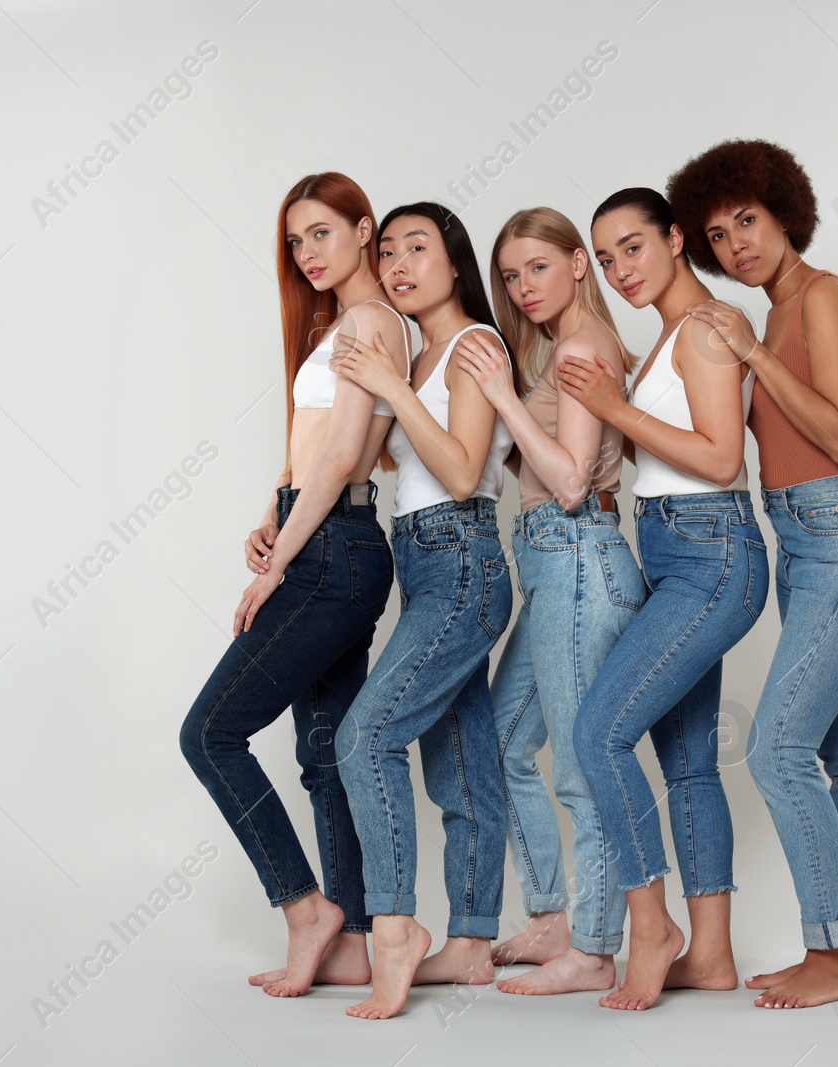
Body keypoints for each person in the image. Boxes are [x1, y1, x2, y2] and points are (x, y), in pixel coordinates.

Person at [669, 137, 838, 1009]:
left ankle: (827, 949)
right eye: (719, 235)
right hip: (807, 541)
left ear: (783, 213)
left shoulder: (821, 295)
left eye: (747, 220)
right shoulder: (769, 314)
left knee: (776, 747)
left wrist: (753, 353)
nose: (736, 244)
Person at [179, 172, 410, 997]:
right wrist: (271, 515)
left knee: (209, 733)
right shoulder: (339, 326)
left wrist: (281, 563)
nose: (307, 252)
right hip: (322, 535)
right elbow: (310, 451)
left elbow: (346, 454)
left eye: (321, 232)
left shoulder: (373, 322)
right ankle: (347, 935)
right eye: (295, 240)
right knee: (324, 756)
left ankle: (306, 907)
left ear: (362, 228)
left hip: (334, 553)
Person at [557, 187, 769, 1010]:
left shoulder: (709, 329)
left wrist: (611, 408)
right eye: (606, 259)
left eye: (634, 247)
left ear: (677, 238)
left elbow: (720, 461)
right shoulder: (668, 339)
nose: (620, 270)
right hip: (678, 551)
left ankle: (652, 926)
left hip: (713, 552)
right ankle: (712, 954)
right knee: (686, 761)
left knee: (600, 732)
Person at [329, 202, 516, 1020]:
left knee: (364, 736)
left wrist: (393, 388)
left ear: (454, 261)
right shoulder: (423, 350)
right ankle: (473, 943)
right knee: (462, 758)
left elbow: (466, 470)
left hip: (463, 559)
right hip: (425, 561)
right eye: (392, 251)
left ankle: (394, 926)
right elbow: (374, 454)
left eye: (419, 248)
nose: (401, 264)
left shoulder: (475, 345)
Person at [450, 207, 641, 995]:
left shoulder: (584, 346)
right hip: (553, 565)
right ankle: (555, 917)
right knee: (500, 742)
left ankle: (594, 948)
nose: (522, 286)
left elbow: (568, 481)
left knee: (579, 763)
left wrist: (500, 393)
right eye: (509, 273)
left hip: (579, 556)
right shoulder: (561, 347)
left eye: (537, 266)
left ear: (576, 264)